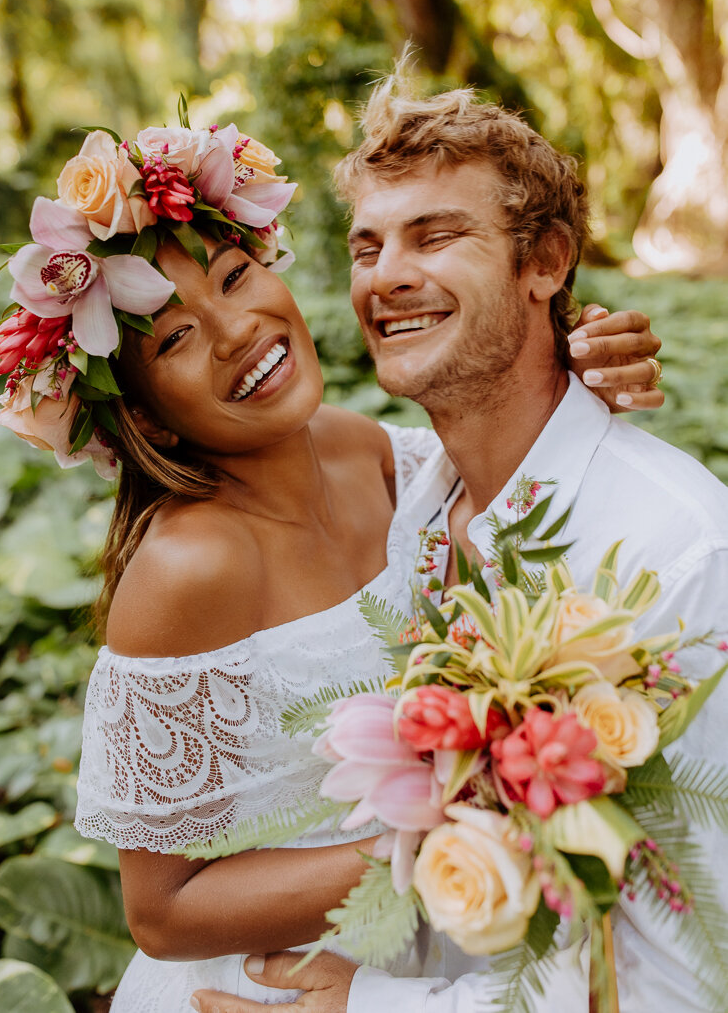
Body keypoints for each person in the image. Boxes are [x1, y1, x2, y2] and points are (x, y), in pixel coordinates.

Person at [0, 112, 663, 1013]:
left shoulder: (365, 451)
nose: (235, 329)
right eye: (176, 338)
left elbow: (498, 475)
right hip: (270, 983)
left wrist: (571, 366)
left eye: (234, 277)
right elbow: (162, 912)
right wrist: (464, 834)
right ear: (145, 415)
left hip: (423, 956)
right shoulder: (190, 567)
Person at [190, 76, 728, 1013]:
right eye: (367, 246)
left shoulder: (674, 554)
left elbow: (690, 981)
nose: (384, 274)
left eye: (434, 236)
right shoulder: (411, 499)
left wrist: (360, 1008)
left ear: (547, 262)